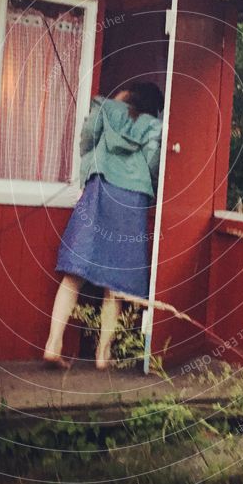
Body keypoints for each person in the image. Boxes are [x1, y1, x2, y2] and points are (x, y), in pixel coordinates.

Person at [43, 81, 164, 370]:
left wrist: (88, 167)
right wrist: (143, 181)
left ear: (129, 95)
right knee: (116, 283)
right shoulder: (153, 126)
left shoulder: (104, 108)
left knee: (74, 273)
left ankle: (53, 345)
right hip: (132, 198)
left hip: (99, 187)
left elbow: (86, 139)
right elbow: (153, 160)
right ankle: (103, 355)